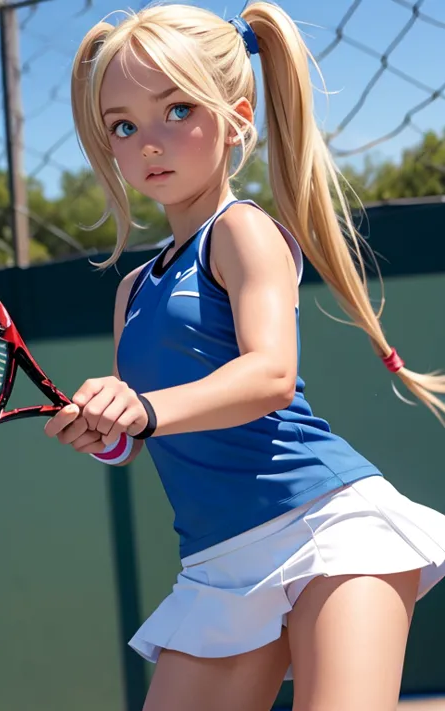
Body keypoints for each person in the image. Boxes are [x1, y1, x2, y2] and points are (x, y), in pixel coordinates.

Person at [45, 4, 445, 710]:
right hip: (217, 564)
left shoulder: (244, 231)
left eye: (176, 108)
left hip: (329, 527)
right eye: (124, 125)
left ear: (236, 117)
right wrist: (107, 432)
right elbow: (151, 429)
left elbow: (269, 375)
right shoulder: (133, 290)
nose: (149, 142)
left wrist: (142, 408)